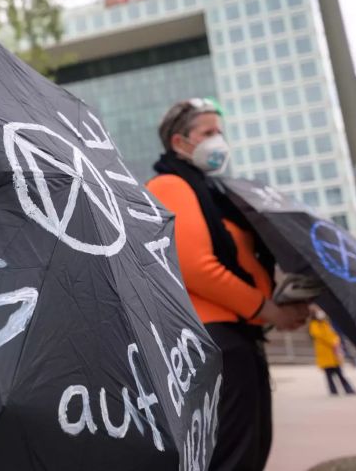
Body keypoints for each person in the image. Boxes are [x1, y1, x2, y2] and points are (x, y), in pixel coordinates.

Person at [146, 98, 310, 471]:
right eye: (207, 132)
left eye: (219, 131)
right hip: (214, 337)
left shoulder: (213, 194)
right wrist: (269, 310)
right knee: (234, 454)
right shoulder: (170, 184)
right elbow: (196, 266)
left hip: (238, 334)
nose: (218, 140)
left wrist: (282, 304)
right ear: (179, 142)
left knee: (251, 447)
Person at [308, 307, 356, 396]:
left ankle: (347, 389)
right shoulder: (314, 325)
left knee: (339, 373)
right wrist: (332, 341)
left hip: (333, 353)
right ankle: (334, 390)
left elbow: (333, 333)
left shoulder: (326, 323)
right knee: (329, 375)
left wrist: (336, 340)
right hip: (325, 354)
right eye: (318, 312)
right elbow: (320, 336)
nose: (321, 313)